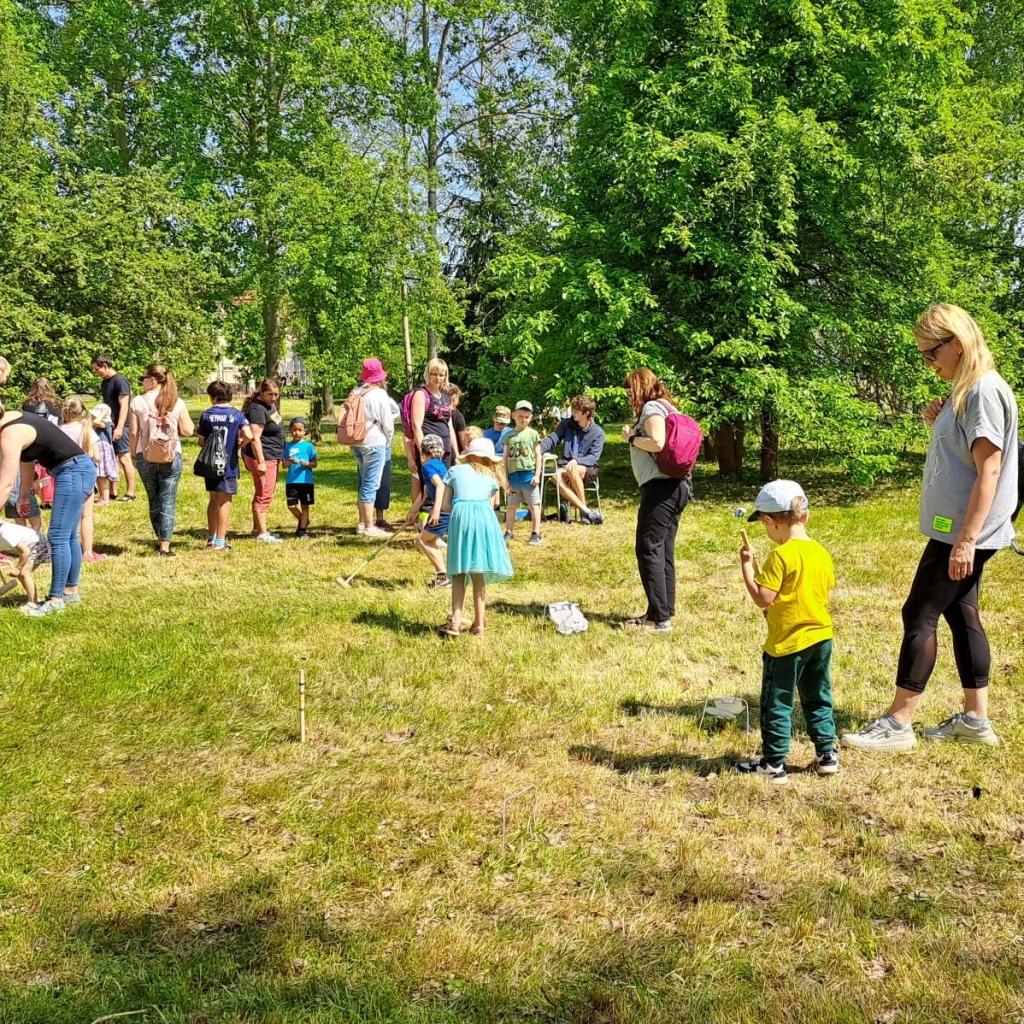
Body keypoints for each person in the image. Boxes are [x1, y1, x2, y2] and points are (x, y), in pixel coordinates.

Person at [843, 304, 1019, 751]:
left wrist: (966, 541)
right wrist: (937, 419)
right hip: (960, 530)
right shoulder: (968, 391)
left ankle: (898, 723)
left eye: (931, 353)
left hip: (962, 532)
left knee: (919, 613)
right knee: (962, 613)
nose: (928, 362)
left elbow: (990, 470)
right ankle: (975, 720)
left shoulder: (982, 392)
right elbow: (964, 453)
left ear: (956, 343)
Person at [736, 480, 838, 784]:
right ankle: (827, 754)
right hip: (820, 638)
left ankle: (774, 763)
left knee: (777, 703)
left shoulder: (780, 556)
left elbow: (762, 598)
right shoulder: (820, 552)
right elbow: (817, 595)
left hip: (786, 645)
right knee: (818, 696)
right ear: (804, 514)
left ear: (770, 521)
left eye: (764, 525)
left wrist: (747, 567)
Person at [0, 404, 97, 616]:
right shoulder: (15, 418)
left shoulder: (10, 433)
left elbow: (6, 483)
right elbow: (27, 460)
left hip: (73, 471)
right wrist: (24, 494)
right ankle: (70, 592)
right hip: (77, 468)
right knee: (68, 536)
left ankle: (55, 600)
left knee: (58, 536)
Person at [621, 369, 691, 631]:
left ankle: (659, 619)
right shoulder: (669, 407)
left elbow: (657, 442)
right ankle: (662, 610)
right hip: (677, 486)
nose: (629, 397)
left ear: (639, 388)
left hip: (661, 488)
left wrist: (631, 437)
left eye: (630, 392)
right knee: (662, 550)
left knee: (648, 548)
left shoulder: (652, 408)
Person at [429, 437, 513, 637]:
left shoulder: (455, 471)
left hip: (460, 517)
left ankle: (455, 622)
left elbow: (446, 505)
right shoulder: (491, 477)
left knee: (458, 570)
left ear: (470, 455)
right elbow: (492, 505)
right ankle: (479, 624)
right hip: (484, 519)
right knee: (478, 570)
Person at [130, 364, 194, 556]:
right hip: (171, 454)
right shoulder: (176, 402)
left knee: (154, 498)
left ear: (152, 380)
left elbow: (134, 432)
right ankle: (165, 545)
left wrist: (133, 454)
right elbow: (188, 430)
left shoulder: (137, 402)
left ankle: (159, 537)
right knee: (168, 499)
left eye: (143, 379)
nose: (141, 383)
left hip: (145, 454)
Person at [197, 380, 254, 552]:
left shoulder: (206, 415)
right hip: (228, 464)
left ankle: (211, 538)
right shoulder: (237, 415)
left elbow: (201, 441)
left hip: (211, 464)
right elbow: (249, 434)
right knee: (225, 501)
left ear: (213, 397)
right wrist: (240, 444)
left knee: (213, 499)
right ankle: (221, 542)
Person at [539, 395, 604, 524]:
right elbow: (553, 439)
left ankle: (581, 512)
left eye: (576, 410)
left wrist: (577, 461)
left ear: (586, 413)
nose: (572, 412)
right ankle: (585, 511)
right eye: (573, 409)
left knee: (572, 469)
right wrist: (537, 449)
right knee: (554, 475)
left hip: (587, 468)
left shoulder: (598, 432)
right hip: (565, 466)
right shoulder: (566, 424)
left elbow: (593, 457)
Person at [349, 358, 395, 538]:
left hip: (356, 441)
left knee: (363, 482)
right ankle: (369, 526)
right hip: (374, 442)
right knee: (371, 484)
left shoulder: (356, 392)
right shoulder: (380, 394)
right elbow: (388, 423)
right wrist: (388, 439)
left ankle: (362, 522)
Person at [60, 398, 105, 565]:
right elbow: (97, 456)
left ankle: (65, 549)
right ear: (83, 412)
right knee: (86, 515)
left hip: (65, 476)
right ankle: (87, 552)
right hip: (85, 477)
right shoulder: (87, 431)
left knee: (65, 515)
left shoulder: (59, 431)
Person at [241, 379, 284, 543]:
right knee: (264, 494)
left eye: (276, 394)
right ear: (261, 392)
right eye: (270, 394)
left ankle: (257, 528)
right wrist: (261, 462)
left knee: (264, 491)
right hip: (264, 457)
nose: (273, 398)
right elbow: (255, 438)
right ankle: (262, 533)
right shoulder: (257, 409)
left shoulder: (269, 405)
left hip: (272, 455)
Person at [91, 353, 136, 501]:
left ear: (105, 366)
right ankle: (113, 492)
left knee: (124, 458)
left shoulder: (120, 381)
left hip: (121, 425)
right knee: (112, 457)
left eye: (97, 369)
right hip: (108, 424)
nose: (96, 373)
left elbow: (124, 405)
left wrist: (120, 427)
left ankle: (130, 493)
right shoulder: (105, 383)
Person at [410, 433, 450, 589]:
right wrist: (412, 511)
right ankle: (443, 576)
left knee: (423, 540)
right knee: (429, 540)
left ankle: (443, 577)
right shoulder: (439, 465)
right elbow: (426, 492)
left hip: (444, 510)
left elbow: (440, 486)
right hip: (447, 508)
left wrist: (436, 511)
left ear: (422, 451)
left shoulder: (427, 467)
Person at [503, 401, 542, 545]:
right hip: (513, 477)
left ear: (531, 417)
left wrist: (537, 475)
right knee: (511, 506)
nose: (523, 419)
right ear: (514, 415)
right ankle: (509, 531)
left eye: (526, 417)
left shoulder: (533, 434)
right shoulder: (508, 435)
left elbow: (538, 456)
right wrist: (505, 478)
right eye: (520, 416)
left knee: (534, 505)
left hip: (528, 476)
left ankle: (536, 533)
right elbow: (505, 458)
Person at [410, 358, 458, 467]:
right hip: (430, 451)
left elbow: (450, 427)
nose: (438, 378)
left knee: (445, 478)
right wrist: (423, 453)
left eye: (441, 375)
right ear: (428, 374)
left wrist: (456, 454)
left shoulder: (445, 396)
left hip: (445, 450)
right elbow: (416, 426)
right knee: (432, 478)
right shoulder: (421, 394)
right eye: (434, 374)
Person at [0, 518, 50, 612]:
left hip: (39, 545)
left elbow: (25, 552)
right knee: (22, 574)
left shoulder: (6, 533)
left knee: (23, 573)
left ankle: (33, 603)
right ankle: (33, 598)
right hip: (29, 547)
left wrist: (18, 568)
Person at [284, 417, 317, 538]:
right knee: (291, 506)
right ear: (290, 430)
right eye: (294, 430)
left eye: (300, 430)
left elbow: (314, 463)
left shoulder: (308, 446)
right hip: (291, 481)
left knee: (305, 506)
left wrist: (307, 464)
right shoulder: (287, 446)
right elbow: (284, 465)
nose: (297, 432)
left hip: (306, 481)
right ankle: (304, 520)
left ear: (305, 431)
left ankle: (302, 530)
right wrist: (289, 461)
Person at [90, 403, 119, 505]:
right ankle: (102, 496)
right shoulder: (98, 423)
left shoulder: (107, 424)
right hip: (98, 449)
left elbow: (95, 421)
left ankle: (105, 499)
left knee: (102, 475)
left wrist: (103, 413)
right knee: (98, 475)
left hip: (103, 449)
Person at [445, 384, 469, 451]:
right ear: (454, 397)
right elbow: (463, 439)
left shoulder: (439, 414)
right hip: (456, 452)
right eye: (458, 397)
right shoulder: (458, 416)